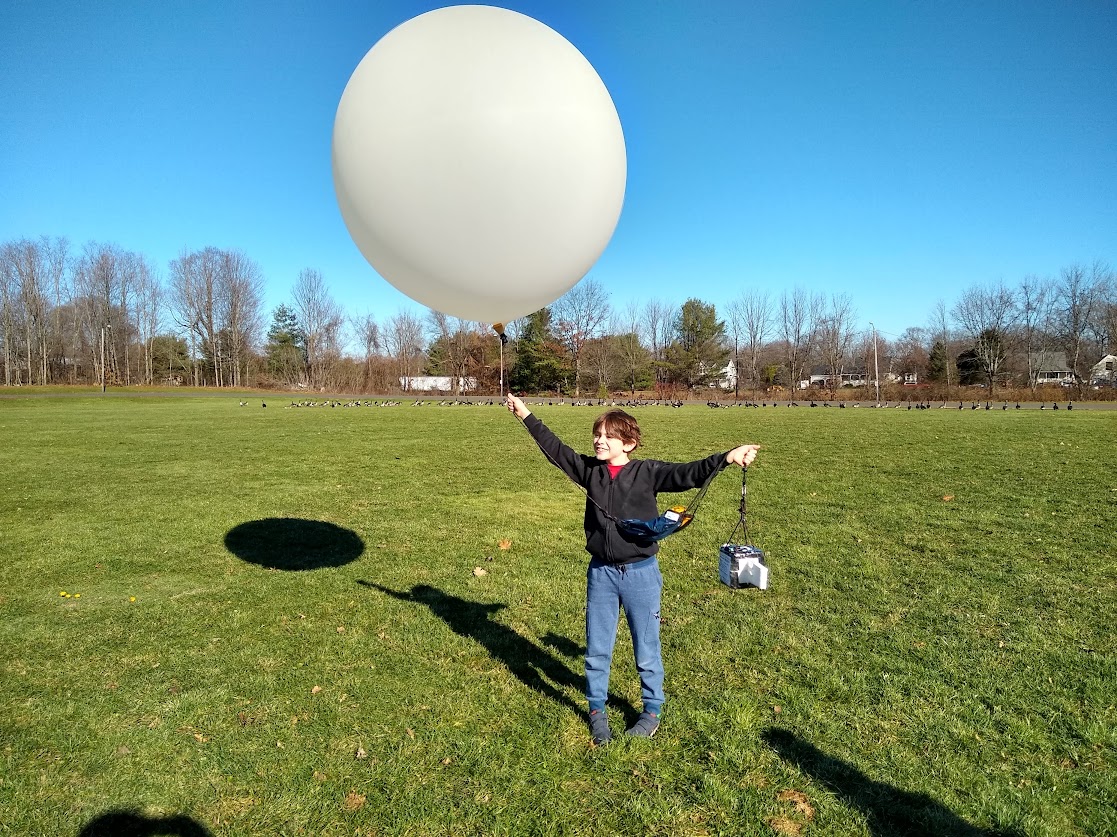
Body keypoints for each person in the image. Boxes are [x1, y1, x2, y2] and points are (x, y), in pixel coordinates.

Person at [505, 393, 759, 745]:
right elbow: (556, 450)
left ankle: (651, 710)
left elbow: (689, 473)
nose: (599, 440)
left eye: (608, 436)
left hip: (641, 574)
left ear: (629, 443)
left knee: (646, 646)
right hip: (602, 574)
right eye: (597, 434)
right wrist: (526, 415)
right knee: (597, 647)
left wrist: (727, 458)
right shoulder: (589, 471)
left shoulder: (647, 472)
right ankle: (597, 710)